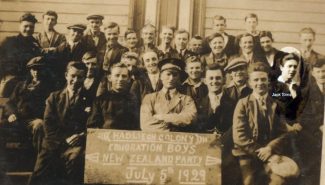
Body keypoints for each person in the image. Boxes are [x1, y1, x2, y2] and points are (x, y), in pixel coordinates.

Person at [29, 61, 89, 185]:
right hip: (54, 142)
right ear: (66, 75)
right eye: (73, 76)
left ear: (84, 78)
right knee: (38, 175)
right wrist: (64, 140)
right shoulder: (54, 97)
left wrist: (82, 135)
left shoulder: (90, 98)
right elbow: (49, 126)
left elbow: (93, 124)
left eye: (80, 77)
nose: (76, 80)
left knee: (76, 161)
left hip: (76, 145)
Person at [232, 62, 290, 185]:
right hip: (247, 154)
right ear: (250, 83)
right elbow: (239, 136)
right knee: (249, 182)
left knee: (278, 181)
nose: (260, 83)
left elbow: (283, 133)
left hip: (271, 152)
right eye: (256, 80)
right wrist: (261, 151)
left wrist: (270, 148)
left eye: (263, 79)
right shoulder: (243, 104)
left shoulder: (276, 104)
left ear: (268, 81)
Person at [1, 56, 53, 153]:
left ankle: (40, 159)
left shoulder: (48, 87)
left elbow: (50, 106)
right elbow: (10, 103)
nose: (36, 72)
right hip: (17, 118)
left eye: (39, 69)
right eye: (34, 69)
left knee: (39, 125)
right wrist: (12, 114)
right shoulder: (21, 85)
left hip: (34, 119)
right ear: (30, 71)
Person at [140, 58, 197, 132]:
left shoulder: (186, 99)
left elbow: (190, 118)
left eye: (175, 75)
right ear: (161, 76)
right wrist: (175, 125)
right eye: (168, 74)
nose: (171, 78)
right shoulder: (149, 98)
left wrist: (162, 117)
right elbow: (146, 124)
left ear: (179, 78)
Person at [296, 58, 325, 185]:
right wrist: (320, 125)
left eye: (324, 71)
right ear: (313, 73)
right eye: (318, 72)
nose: (322, 75)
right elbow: (302, 117)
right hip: (311, 135)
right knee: (312, 169)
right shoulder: (305, 91)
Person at [87, 63, 139, 130]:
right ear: (109, 78)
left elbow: (137, 126)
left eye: (124, 76)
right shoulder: (100, 100)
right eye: (117, 75)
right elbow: (92, 126)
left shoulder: (133, 100)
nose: (120, 79)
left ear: (129, 79)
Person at [0, 13, 42, 79]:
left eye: (31, 27)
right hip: (12, 78)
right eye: (25, 26)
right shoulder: (10, 42)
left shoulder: (35, 44)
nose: (28, 29)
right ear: (20, 26)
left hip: (30, 78)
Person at [270, 53, 302, 124]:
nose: (293, 69)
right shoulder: (272, 86)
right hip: (278, 125)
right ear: (281, 67)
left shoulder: (297, 88)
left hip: (297, 125)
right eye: (289, 66)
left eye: (295, 67)